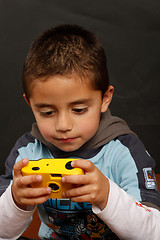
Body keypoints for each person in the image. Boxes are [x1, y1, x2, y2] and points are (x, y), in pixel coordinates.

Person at [0, 24, 159, 240]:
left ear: (105, 98)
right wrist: (15, 201)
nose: (63, 125)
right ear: (30, 104)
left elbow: (154, 232)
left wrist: (106, 195)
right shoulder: (26, 153)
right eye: (47, 112)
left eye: (79, 110)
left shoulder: (124, 152)